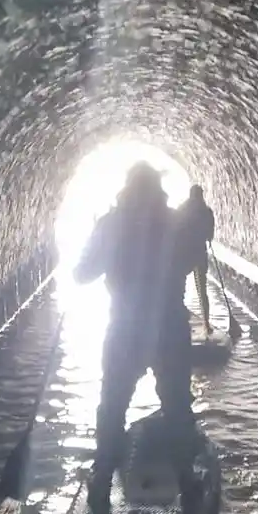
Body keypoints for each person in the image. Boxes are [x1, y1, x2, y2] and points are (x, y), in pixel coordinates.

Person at [72, 163, 196, 487]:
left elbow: (81, 274)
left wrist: (97, 241)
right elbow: (191, 261)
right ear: (159, 189)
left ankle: (101, 473)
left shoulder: (111, 224)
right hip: (169, 324)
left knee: (113, 403)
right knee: (178, 403)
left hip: (125, 325)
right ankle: (186, 474)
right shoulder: (174, 223)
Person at [180, 183, 216, 338]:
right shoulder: (206, 211)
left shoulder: (182, 209)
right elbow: (210, 236)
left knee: (179, 288)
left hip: (185, 254)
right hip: (200, 253)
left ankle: (179, 322)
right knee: (202, 290)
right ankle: (206, 323)